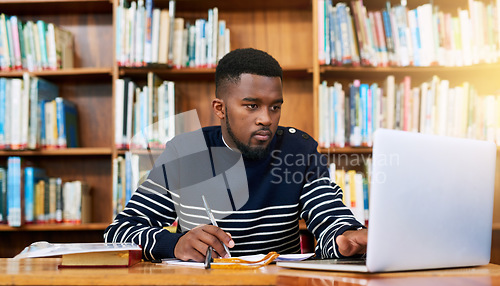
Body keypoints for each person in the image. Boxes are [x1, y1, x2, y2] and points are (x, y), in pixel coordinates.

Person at [104, 48, 367, 262]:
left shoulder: (299, 150)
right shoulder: (184, 153)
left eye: (275, 107)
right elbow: (118, 234)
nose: (266, 119)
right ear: (220, 108)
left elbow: (329, 215)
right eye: (252, 106)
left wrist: (343, 238)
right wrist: (175, 244)